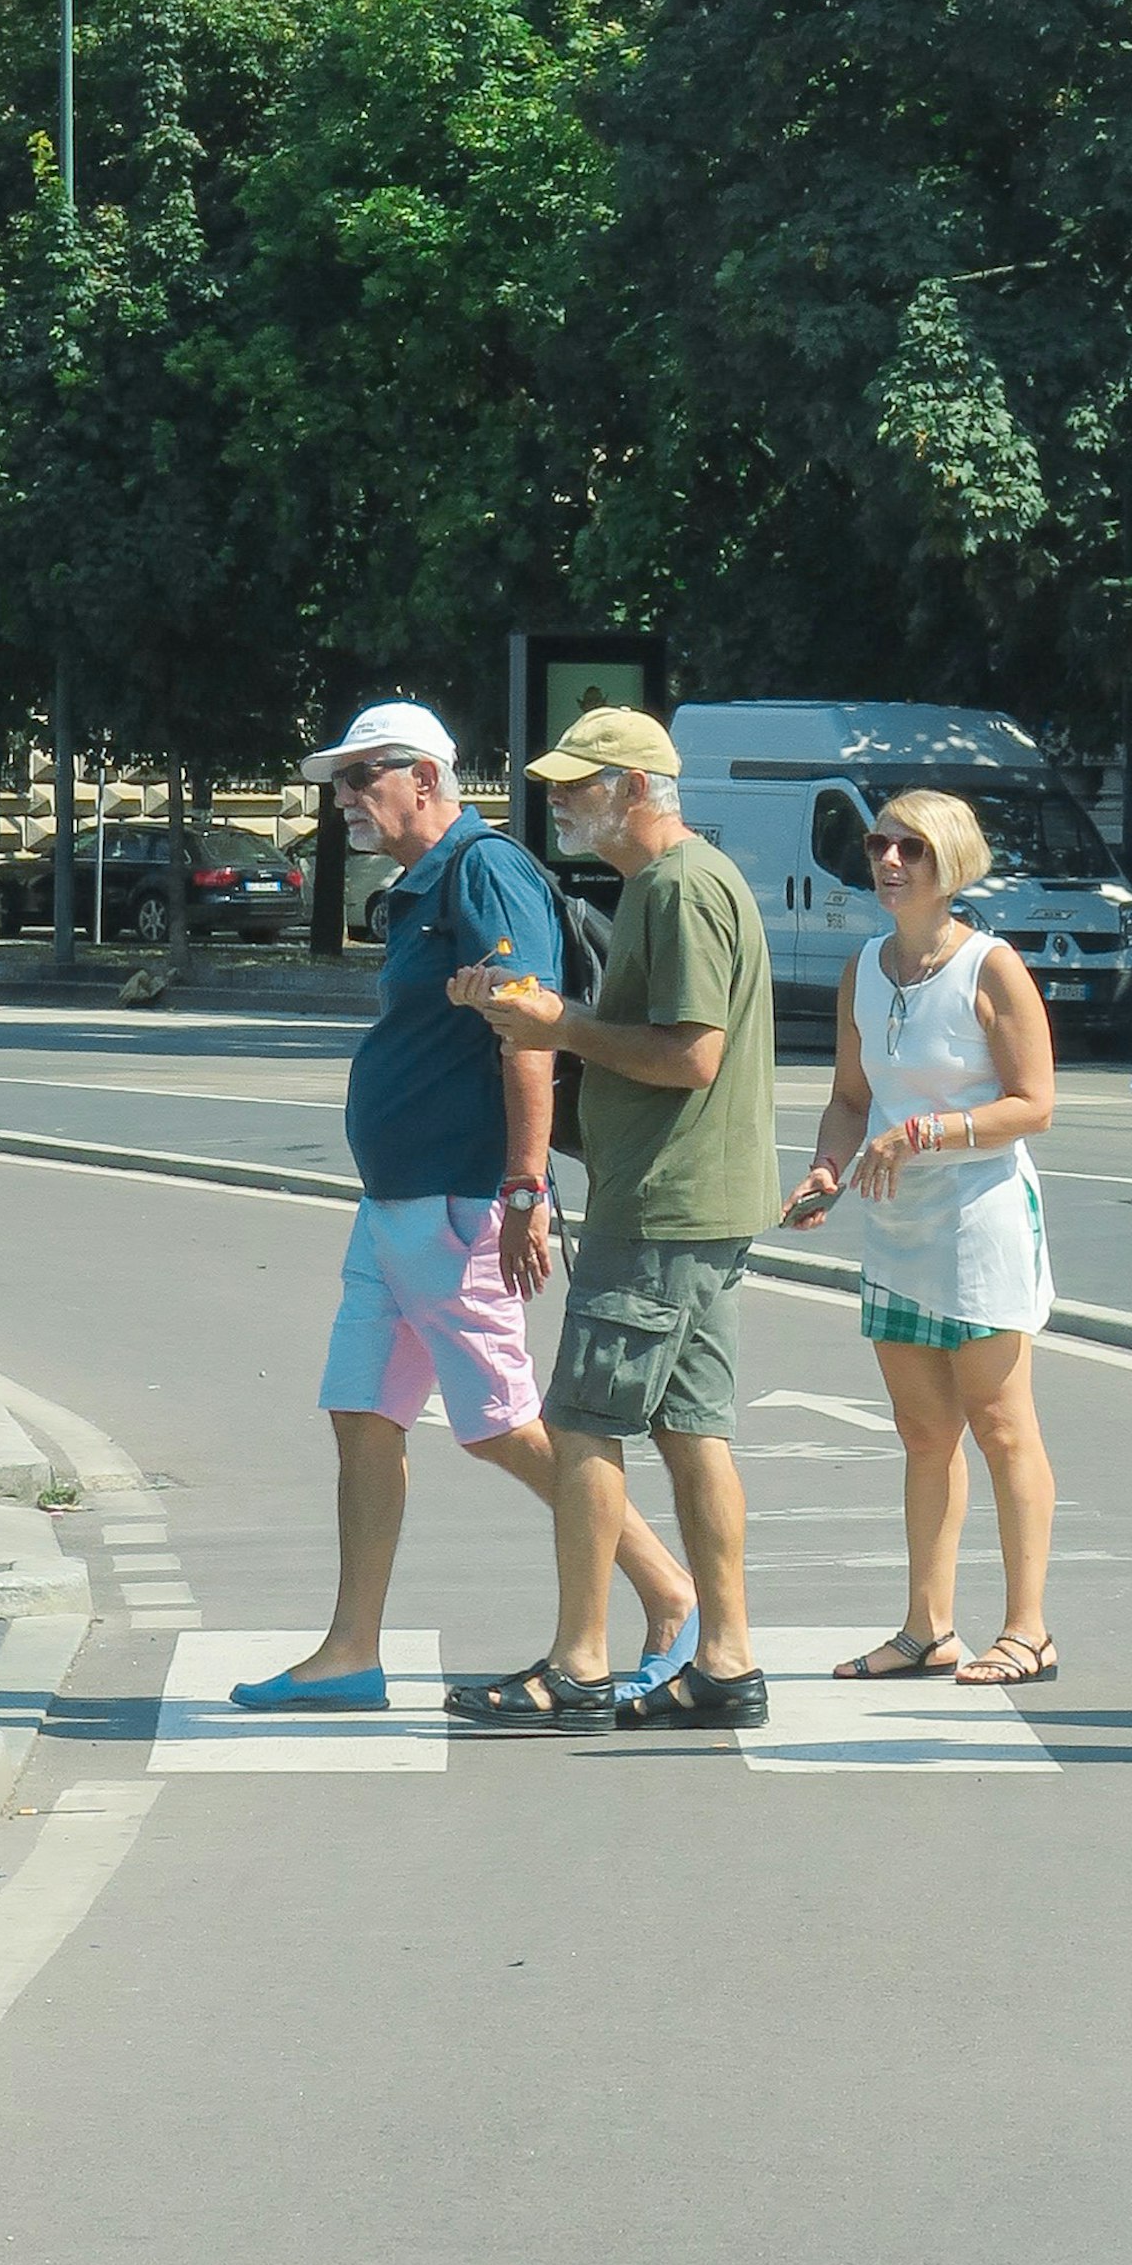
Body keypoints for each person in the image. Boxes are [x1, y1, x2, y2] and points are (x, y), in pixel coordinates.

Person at [230, 700, 694, 1715]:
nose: (344, 801)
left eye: (363, 780)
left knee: (497, 1423)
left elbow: (527, 1030)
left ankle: (669, 1591)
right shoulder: (424, 885)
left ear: (426, 779)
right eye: (339, 783)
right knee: (362, 1412)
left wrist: (527, 1186)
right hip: (396, 1201)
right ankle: (351, 1651)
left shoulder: (483, 871)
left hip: (458, 1198)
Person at [445, 705, 778, 1736]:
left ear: (636, 790)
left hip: (662, 1207)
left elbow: (690, 1055)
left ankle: (578, 1667)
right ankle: (725, 1660)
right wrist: (521, 1011)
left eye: (576, 784)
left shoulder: (676, 889)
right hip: (695, 1202)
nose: (557, 801)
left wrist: (559, 1025)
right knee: (691, 1429)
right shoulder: (671, 883)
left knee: (586, 1424)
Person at [788, 788, 1062, 1687]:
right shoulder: (864, 966)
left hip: (979, 1218)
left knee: (1001, 1425)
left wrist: (928, 1134)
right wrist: (827, 1170)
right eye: (879, 844)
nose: (890, 862)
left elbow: (1035, 1104)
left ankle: (1029, 1629)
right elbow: (851, 1098)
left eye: (912, 848)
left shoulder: (991, 966)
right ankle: (926, 1627)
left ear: (951, 864)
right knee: (921, 1431)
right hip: (897, 1223)